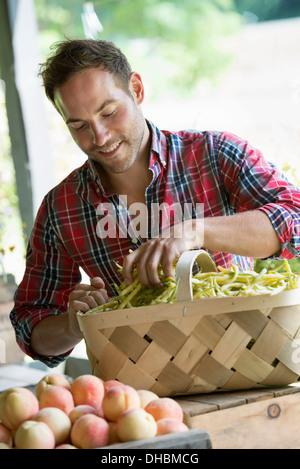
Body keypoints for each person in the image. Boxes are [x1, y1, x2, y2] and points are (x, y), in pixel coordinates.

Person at [10, 39, 300, 368]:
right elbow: (29, 326)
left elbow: (295, 220)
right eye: (78, 125)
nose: (100, 136)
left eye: (108, 112)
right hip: (139, 390)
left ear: (136, 89)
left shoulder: (216, 155)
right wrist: (71, 325)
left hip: (243, 365)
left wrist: (196, 230)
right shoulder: (60, 208)